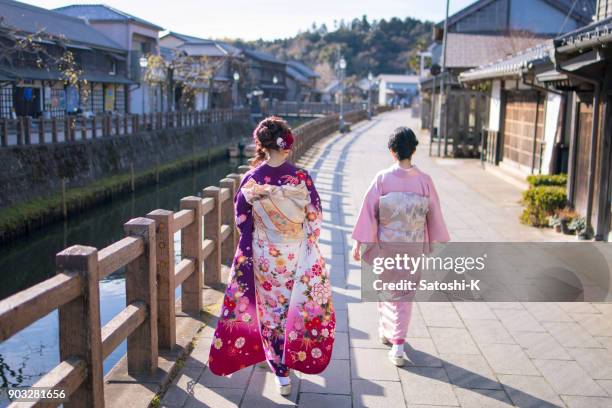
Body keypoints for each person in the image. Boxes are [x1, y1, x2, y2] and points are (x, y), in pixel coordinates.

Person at [209, 117, 335, 396]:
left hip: (265, 255)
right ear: (286, 144)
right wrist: (305, 240)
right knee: (293, 306)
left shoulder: (252, 179)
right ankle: (290, 358)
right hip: (295, 253)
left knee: (270, 311)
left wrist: (260, 237)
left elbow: (242, 221)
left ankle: (280, 369)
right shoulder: (301, 178)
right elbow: (314, 219)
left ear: (262, 146)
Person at [351, 127, 449, 366]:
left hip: (387, 245)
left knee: (386, 289)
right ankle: (397, 343)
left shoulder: (382, 179)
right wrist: (435, 240)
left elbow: (368, 213)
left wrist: (359, 243)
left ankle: (388, 333)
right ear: (413, 150)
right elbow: (434, 213)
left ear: (391, 151)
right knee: (405, 295)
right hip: (412, 246)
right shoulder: (425, 181)